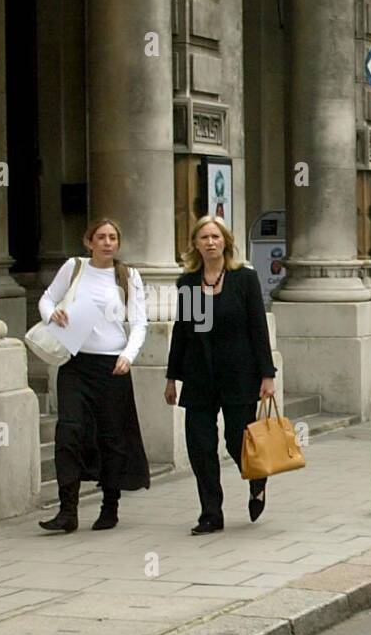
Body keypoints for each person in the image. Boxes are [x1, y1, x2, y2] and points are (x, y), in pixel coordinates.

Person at [37, 218, 151, 533]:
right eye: (100, 237)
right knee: (68, 432)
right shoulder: (74, 267)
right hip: (75, 362)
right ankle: (67, 510)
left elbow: (140, 321)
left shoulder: (128, 276)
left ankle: (109, 506)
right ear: (89, 242)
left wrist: (128, 355)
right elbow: (46, 298)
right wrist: (52, 313)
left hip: (112, 366)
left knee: (111, 437)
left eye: (113, 237)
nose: (107, 242)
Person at [166, 215, 277, 535]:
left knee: (235, 440)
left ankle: (257, 478)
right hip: (199, 375)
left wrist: (266, 375)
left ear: (226, 241)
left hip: (239, 373)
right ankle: (210, 513)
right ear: (196, 244)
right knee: (200, 445)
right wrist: (172, 377)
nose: (210, 242)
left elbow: (258, 328)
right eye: (204, 238)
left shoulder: (244, 278)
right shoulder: (188, 282)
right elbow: (183, 331)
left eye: (215, 237)